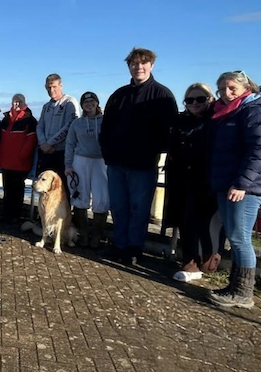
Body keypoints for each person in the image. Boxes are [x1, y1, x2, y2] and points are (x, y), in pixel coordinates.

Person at [99, 47, 177, 264]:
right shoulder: (119, 95)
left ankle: (134, 249)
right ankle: (119, 245)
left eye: (143, 63)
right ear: (129, 67)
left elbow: (170, 132)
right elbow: (105, 128)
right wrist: (108, 154)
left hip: (142, 165)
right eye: (134, 63)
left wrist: (149, 150)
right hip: (116, 164)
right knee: (118, 207)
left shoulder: (163, 95)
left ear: (151, 65)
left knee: (138, 209)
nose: (138, 67)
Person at [207, 71, 261, 309]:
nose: (226, 94)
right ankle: (235, 286)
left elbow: (258, 150)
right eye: (222, 90)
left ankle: (243, 292)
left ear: (245, 88)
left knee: (240, 238)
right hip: (227, 184)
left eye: (232, 89)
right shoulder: (228, 111)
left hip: (243, 188)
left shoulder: (251, 110)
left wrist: (242, 184)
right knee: (235, 237)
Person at [163, 83, 219, 282]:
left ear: (210, 99)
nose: (194, 103)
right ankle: (190, 263)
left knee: (201, 222)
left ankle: (204, 261)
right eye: (190, 100)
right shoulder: (180, 121)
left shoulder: (216, 120)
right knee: (185, 221)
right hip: (181, 178)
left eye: (200, 99)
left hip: (206, 179)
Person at [64, 92, 109, 247]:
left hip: (101, 162)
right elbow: (69, 144)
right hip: (80, 161)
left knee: (101, 199)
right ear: (82, 105)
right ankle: (83, 235)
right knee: (79, 197)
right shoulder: (77, 123)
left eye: (92, 101)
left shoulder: (106, 121)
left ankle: (97, 236)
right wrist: (68, 165)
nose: (89, 104)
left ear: (97, 103)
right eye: (86, 102)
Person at [0, 94, 38, 223]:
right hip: (6, 160)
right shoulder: (6, 119)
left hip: (20, 162)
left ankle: (15, 214)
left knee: (17, 188)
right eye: (14, 102)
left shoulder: (29, 120)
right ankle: (6, 213)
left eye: (19, 102)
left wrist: (23, 155)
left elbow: (31, 140)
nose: (16, 104)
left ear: (24, 103)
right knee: (7, 187)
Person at [36, 74, 79, 195]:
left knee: (62, 188)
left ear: (61, 86)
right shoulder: (46, 106)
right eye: (49, 87)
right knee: (45, 189)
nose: (51, 90)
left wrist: (50, 143)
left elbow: (70, 125)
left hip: (62, 152)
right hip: (46, 152)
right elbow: (40, 126)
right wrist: (43, 143)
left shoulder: (70, 102)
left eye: (54, 87)